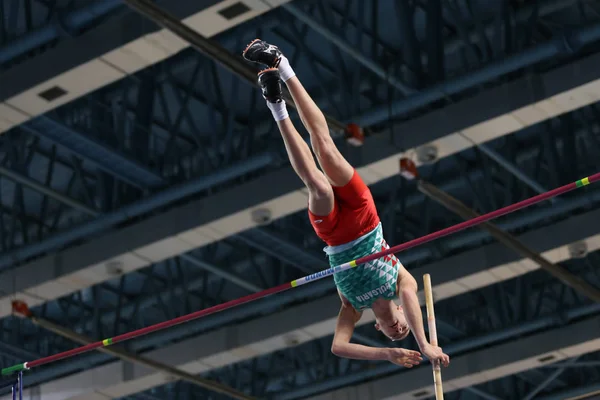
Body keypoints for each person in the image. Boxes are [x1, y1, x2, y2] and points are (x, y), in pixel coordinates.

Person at [242, 39, 450, 369]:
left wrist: (390, 354)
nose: (398, 330)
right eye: (403, 328)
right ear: (400, 313)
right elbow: (412, 298)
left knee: (318, 186)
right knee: (326, 149)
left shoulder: (352, 307)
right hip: (365, 217)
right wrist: (423, 344)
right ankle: (281, 63)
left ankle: (275, 104)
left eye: (391, 334)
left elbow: (339, 347)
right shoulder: (402, 282)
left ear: (378, 327)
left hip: (337, 236)